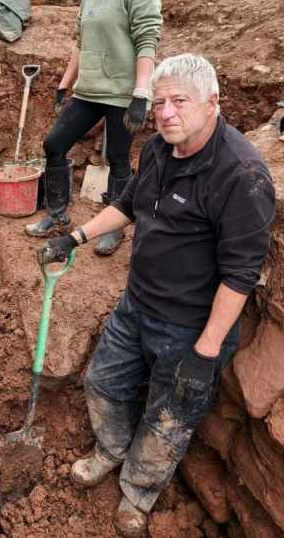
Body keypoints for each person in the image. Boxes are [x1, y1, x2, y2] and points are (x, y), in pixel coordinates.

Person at [38, 54, 275, 537]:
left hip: (190, 328)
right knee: (103, 383)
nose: (165, 112)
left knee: (169, 418)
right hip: (136, 305)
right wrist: (76, 238)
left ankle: (138, 492)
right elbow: (128, 204)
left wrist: (206, 352)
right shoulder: (158, 150)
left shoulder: (242, 177)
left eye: (179, 101)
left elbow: (240, 274)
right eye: (159, 101)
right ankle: (109, 450)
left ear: (212, 104)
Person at [26, 0, 163, 255]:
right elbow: (81, 41)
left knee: (118, 159)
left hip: (122, 94)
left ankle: (114, 228)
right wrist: (63, 83)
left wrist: (141, 92)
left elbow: (148, 38)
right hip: (88, 91)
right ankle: (57, 215)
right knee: (54, 144)